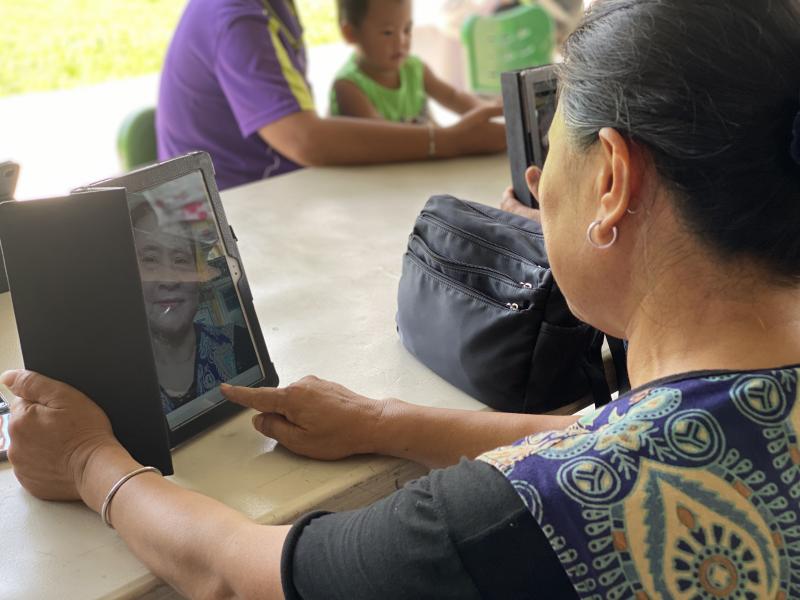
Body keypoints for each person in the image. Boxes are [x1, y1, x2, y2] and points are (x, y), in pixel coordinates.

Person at [6, 0, 800, 597]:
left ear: (614, 181)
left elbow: (235, 570)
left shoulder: (512, 521)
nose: (533, 184)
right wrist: (386, 422)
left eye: (551, 149)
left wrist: (87, 461)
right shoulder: (726, 416)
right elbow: (629, 433)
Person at [156, 0, 505, 190]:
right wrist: (448, 141)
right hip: (236, 210)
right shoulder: (238, 18)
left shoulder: (270, 8)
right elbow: (306, 141)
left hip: (272, 191)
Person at [131, 198, 258, 413]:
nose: (169, 280)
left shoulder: (243, 345)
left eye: (181, 260)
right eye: (150, 260)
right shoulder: (119, 380)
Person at [330, 0, 486, 122]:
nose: (401, 42)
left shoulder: (414, 68)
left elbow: (453, 97)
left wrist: (488, 110)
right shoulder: (348, 87)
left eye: (407, 29)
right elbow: (381, 138)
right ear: (350, 34)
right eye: (387, 32)